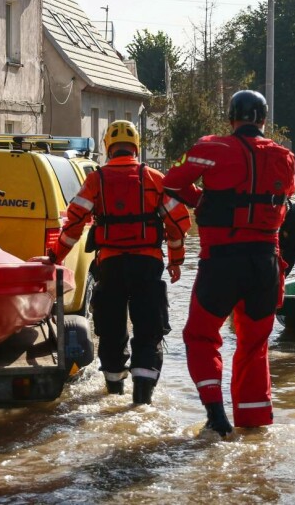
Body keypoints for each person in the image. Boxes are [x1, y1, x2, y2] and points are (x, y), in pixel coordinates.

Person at [162, 90, 295, 437]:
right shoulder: (286, 157)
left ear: (231, 118)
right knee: (254, 345)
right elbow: (285, 202)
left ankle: (215, 416)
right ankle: (253, 426)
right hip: (265, 265)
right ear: (263, 120)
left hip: (221, 261)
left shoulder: (211, 148)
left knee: (200, 337)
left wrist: (203, 200)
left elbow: (171, 181)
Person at [51, 120, 190, 405]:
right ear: (136, 148)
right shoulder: (153, 177)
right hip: (147, 265)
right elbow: (178, 224)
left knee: (111, 328)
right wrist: (176, 260)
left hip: (111, 265)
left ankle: (114, 391)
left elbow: (74, 223)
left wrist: (54, 257)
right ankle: (142, 399)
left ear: (108, 148)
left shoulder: (95, 179)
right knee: (148, 330)